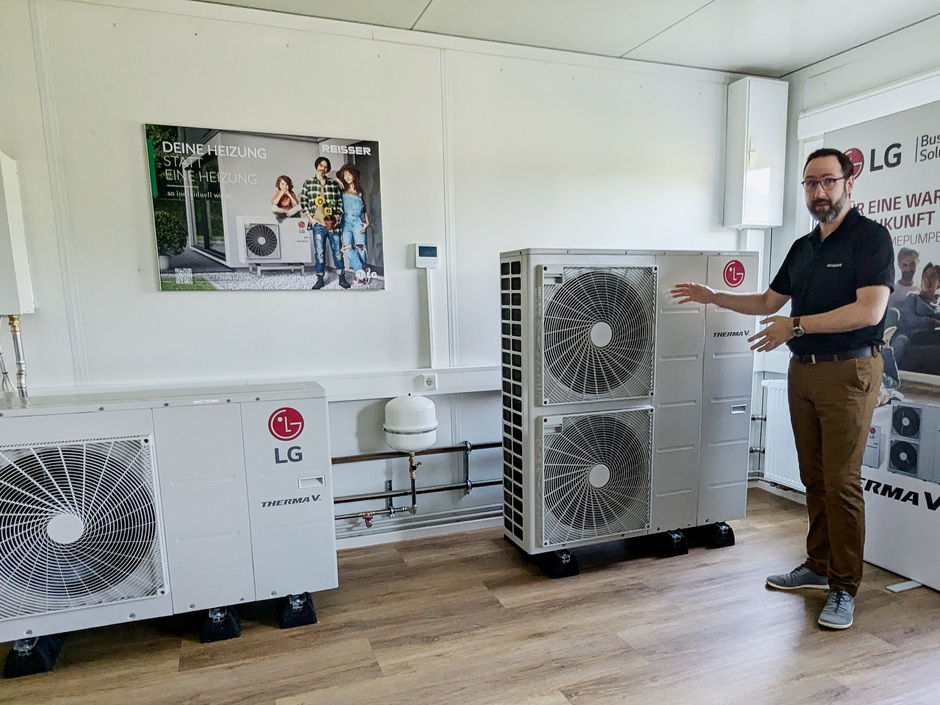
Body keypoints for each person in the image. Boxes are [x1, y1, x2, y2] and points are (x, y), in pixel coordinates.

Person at [671, 148, 893, 631]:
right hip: (805, 370)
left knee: (841, 482)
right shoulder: (802, 247)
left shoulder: (871, 239)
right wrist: (715, 297)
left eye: (828, 182)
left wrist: (794, 325)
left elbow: (869, 312)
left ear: (849, 182)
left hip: (849, 371)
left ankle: (844, 587)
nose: (819, 192)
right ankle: (817, 565)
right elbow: (769, 301)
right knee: (813, 476)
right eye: (811, 184)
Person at [300, 157, 348, 289]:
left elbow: (339, 201)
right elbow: (304, 202)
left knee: (337, 252)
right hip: (318, 225)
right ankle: (320, 278)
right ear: (316, 166)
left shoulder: (333, 184)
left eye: (326, 167)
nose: (323, 168)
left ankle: (341, 277)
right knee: (319, 252)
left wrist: (338, 216)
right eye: (321, 165)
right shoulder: (308, 183)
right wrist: (310, 219)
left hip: (333, 224)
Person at [893, 262, 940, 364]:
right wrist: (931, 321)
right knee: (901, 341)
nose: (927, 279)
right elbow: (910, 319)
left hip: (929, 336)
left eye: (933, 276)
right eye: (925, 275)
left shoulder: (938, 305)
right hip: (911, 335)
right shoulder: (913, 297)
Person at [336, 163, 371, 284]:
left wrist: (367, 222)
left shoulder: (360, 192)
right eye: (344, 175)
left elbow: (364, 209)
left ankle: (361, 274)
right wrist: (337, 180)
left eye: (349, 174)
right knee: (347, 247)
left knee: (361, 248)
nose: (347, 177)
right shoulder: (341, 190)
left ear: (354, 175)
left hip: (358, 222)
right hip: (346, 223)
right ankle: (360, 271)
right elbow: (330, 181)